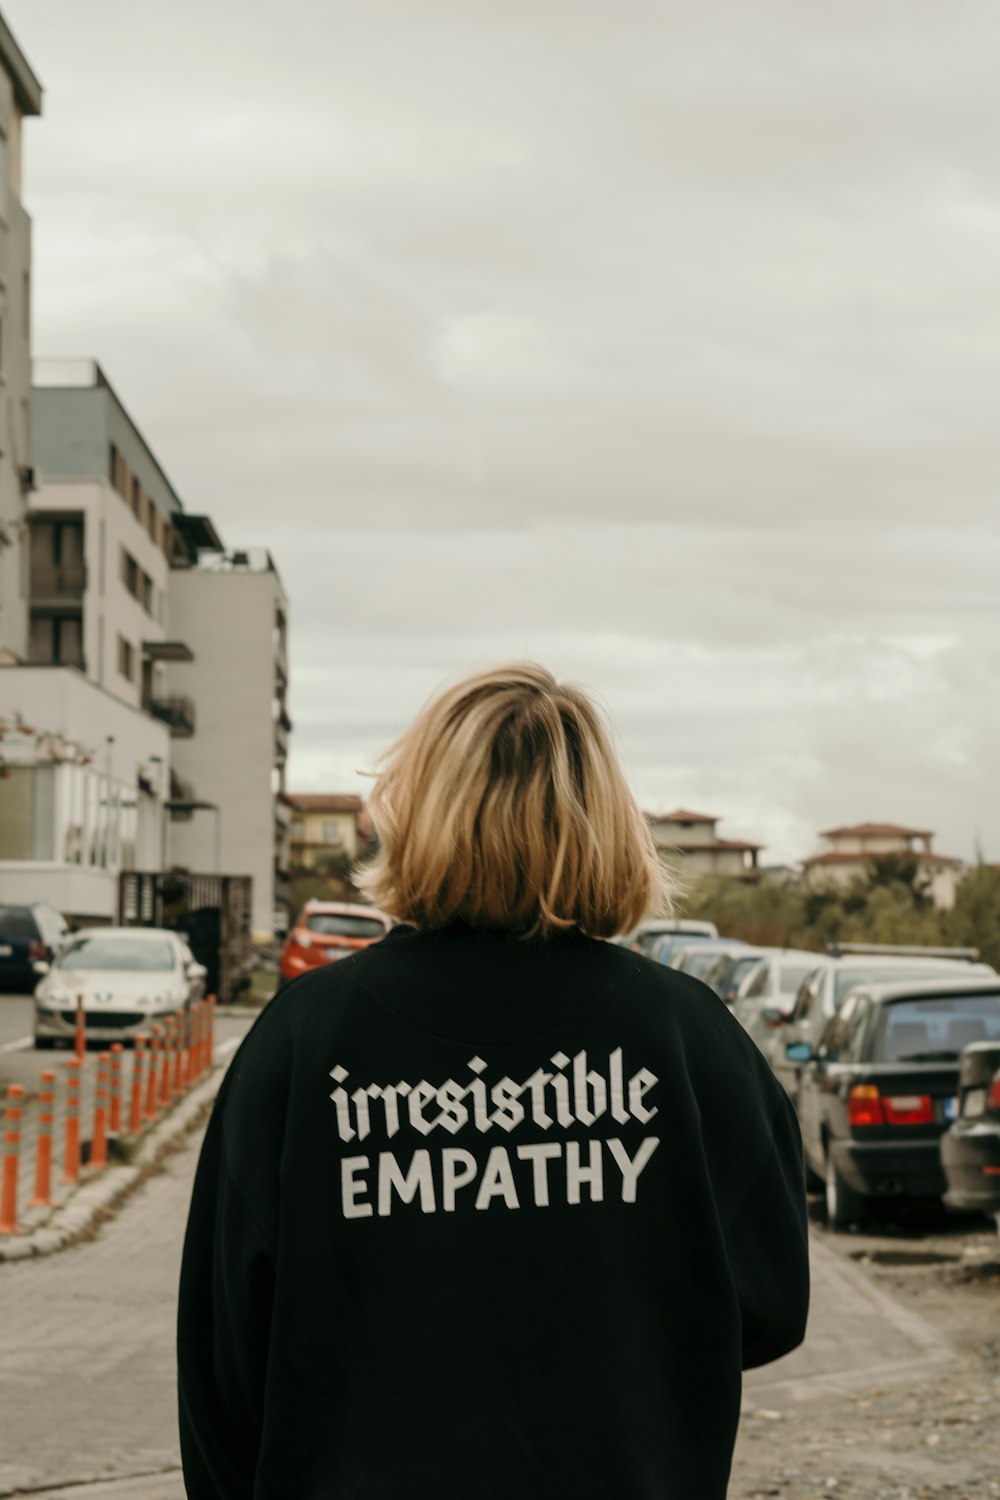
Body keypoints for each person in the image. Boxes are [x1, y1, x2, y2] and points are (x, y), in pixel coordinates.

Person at [177, 663, 809, 1500]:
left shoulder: (304, 1039)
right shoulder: (688, 1035)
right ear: (606, 821)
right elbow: (768, 1306)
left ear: (418, 810)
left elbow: (223, 1373)